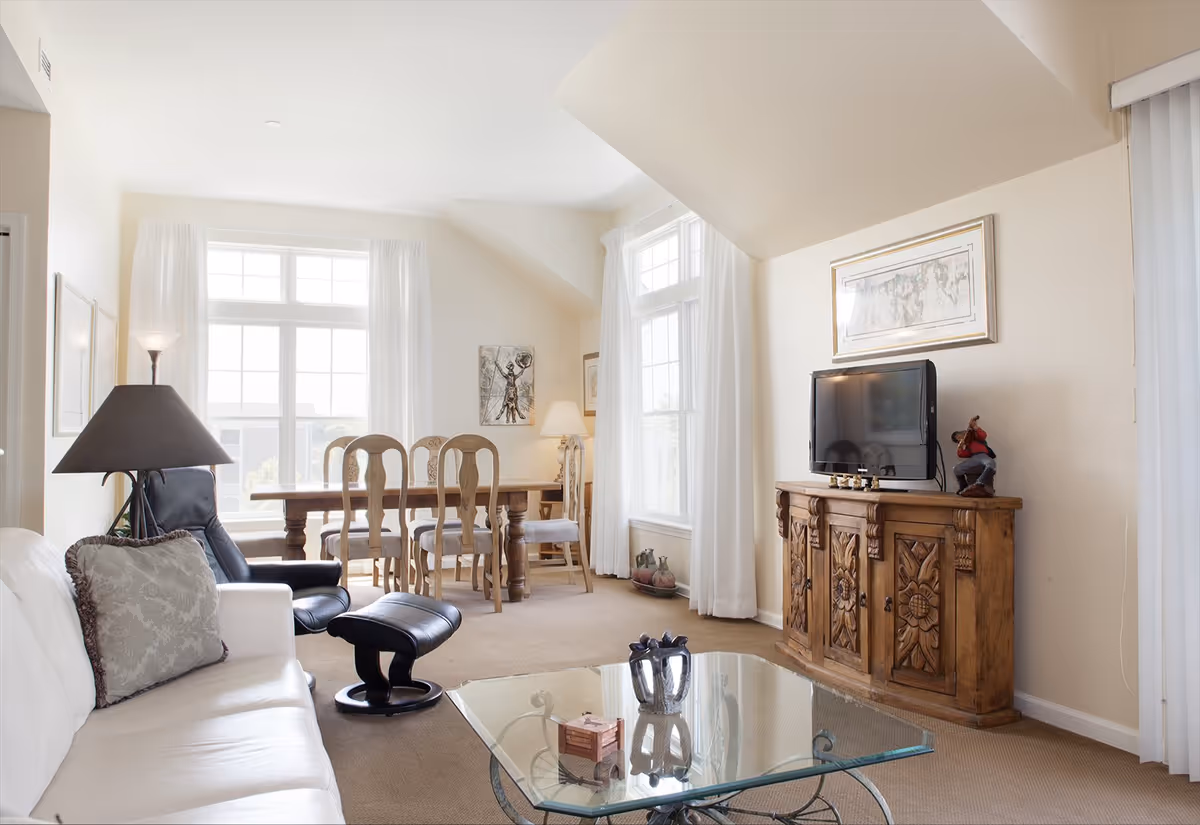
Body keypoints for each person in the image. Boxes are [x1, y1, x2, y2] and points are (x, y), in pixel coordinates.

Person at [952, 415, 997, 498]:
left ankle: (979, 483)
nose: (960, 436)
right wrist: (960, 447)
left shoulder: (976, 437)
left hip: (983, 456)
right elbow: (962, 454)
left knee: (991, 463)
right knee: (957, 469)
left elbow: (983, 435)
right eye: (957, 438)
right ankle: (963, 486)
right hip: (974, 458)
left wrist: (975, 427)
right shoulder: (967, 444)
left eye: (959, 434)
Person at [494, 359, 530, 424]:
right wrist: (497, 365)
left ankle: (519, 414)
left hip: (514, 390)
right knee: (504, 403)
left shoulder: (514, 376)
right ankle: (500, 414)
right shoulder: (507, 376)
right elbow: (501, 371)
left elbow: (520, 373)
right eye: (511, 367)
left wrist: (524, 368)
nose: (512, 368)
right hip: (508, 391)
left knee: (515, 403)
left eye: (512, 367)